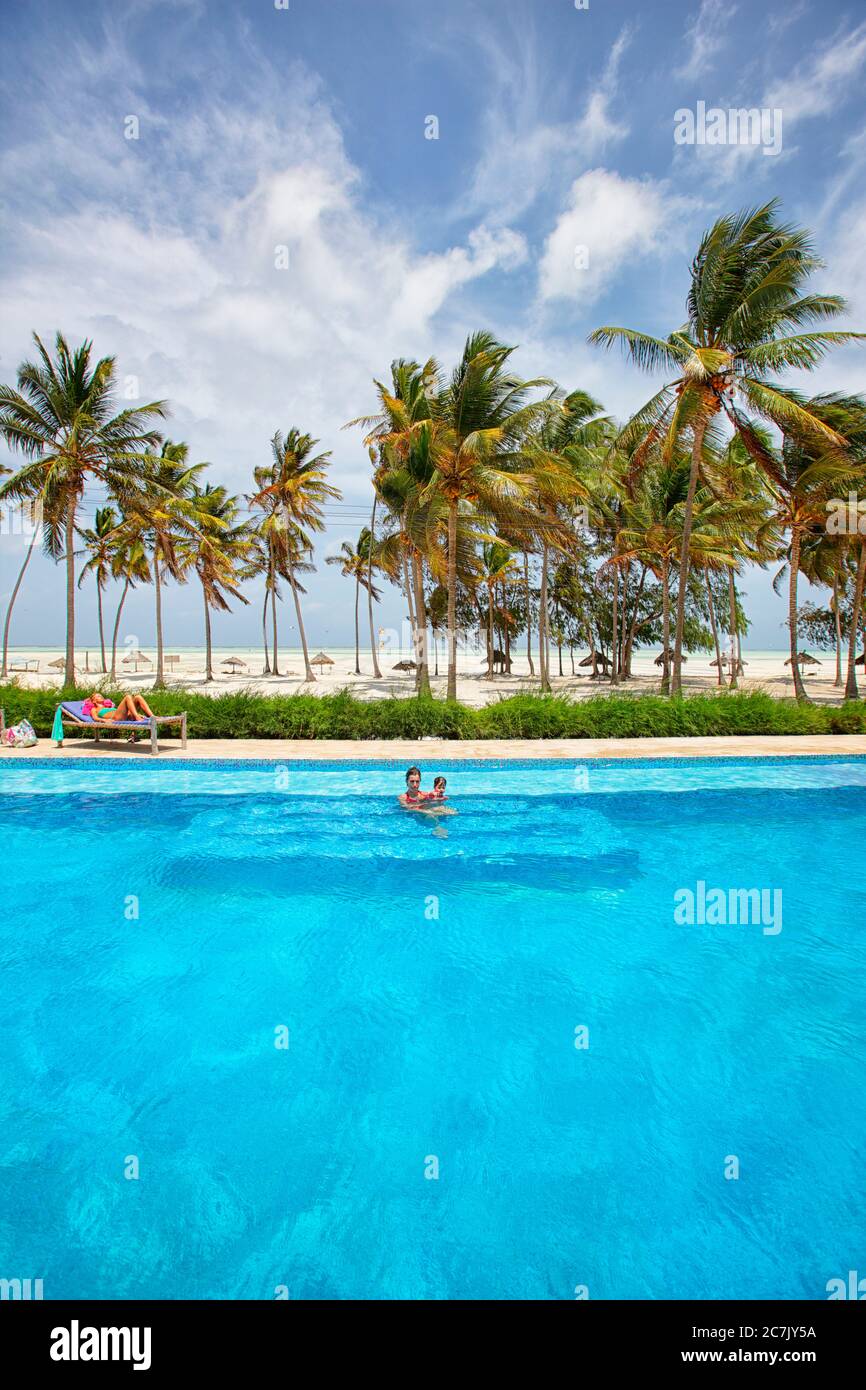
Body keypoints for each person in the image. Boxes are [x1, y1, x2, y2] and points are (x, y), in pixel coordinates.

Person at [82, 692, 156, 740]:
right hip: (116, 718)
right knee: (127, 697)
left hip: (124, 716)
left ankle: (152, 716)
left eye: (101, 695)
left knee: (138, 697)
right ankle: (137, 717)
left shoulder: (108, 707)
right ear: (94, 701)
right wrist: (104, 720)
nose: (101, 696)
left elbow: (123, 711)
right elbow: (95, 718)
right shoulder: (94, 709)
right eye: (98, 696)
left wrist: (135, 713)